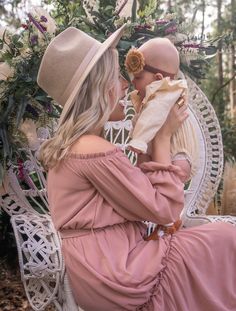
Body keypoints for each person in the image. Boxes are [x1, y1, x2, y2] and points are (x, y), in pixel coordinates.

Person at [37, 25, 236, 311]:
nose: (126, 84)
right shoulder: (95, 151)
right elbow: (164, 208)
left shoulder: (79, 147)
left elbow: (140, 196)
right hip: (120, 273)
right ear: (100, 88)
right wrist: (165, 135)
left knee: (218, 241)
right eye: (117, 77)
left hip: (101, 268)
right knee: (225, 239)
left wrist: (150, 132)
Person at [125, 38, 198, 178]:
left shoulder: (164, 96)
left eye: (138, 78)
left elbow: (151, 117)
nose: (133, 82)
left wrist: (138, 141)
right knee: (143, 174)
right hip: (159, 149)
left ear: (158, 79)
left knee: (172, 175)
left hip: (176, 150)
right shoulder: (155, 96)